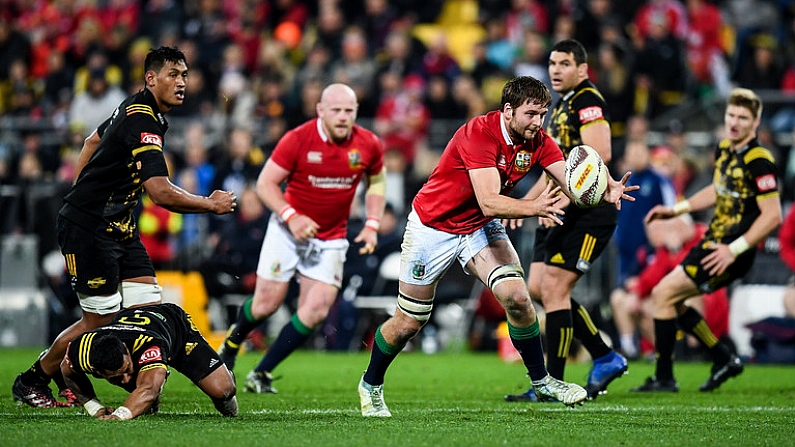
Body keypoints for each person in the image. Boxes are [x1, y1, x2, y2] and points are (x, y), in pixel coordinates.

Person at [357, 75, 637, 417]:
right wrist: (535, 207)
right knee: (408, 323)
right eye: (531, 114)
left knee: (518, 298)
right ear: (508, 111)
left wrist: (602, 189)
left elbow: (568, 177)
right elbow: (490, 201)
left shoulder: (539, 141)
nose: (538, 122)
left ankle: (542, 380)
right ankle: (371, 384)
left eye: (543, 114)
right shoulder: (479, 133)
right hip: (433, 227)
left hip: (477, 228)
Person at [12, 46, 238, 409]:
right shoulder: (143, 120)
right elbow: (160, 192)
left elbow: (92, 142)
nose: (182, 82)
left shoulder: (138, 108)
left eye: (184, 74)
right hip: (89, 230)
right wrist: (210, 204)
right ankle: (34, 378)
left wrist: (86, 187)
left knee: (148, 310)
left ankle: (144, 386)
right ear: (151, 78)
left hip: (118, 227)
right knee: (101, 319)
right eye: (173, 75)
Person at [216, 83, 387, 394]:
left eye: (349, 111)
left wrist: (372, 223)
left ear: (356, 113)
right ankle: (231, 343)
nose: (342, 116)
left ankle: (261, 372)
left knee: (318, 308)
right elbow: (265, 184)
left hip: (331, 235)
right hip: (287, 231)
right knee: (268, 303)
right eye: (335, 110)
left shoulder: (368, 143)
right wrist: (291, 217)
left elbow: (376, 181)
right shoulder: (297, 139)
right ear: (320, 110)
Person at [631, 87, 782, 392]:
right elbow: (716, 189)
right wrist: (675, 209)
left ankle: (666, 376)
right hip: (714, 241)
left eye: (742, 117)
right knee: (671, 297)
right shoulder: (725, 147)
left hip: (731, 250)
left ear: (756, 122)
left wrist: (734, 249)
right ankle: (722, 357)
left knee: (663, 294)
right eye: (731, 115)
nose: (735, 122)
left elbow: (773, 215)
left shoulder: (759, 160)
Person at [505, 39, 629, 403]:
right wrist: (529, 204)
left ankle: (551, 383)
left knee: (556, 290)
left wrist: (563, 195)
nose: (555, 70)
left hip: (590, 212)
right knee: (542, 288)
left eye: (564, 63)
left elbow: (599, 155)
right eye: (552, 63)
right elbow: (557, 167)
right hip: (561, 209)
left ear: (582, 69)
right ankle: (605, 356)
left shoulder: (588, 100)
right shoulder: (560, 106)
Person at [60, 303, 237, 420]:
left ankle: (225, 375)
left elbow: (149, 390)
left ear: (127, 351)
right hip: (143, 331)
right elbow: (66, 371)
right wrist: (94, 407)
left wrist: (119, 415)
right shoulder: (83, 350)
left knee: (223, 391)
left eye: (128, 369)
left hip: (177, 331)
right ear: (96, 370)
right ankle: (153, 373)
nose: (127, 379)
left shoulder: (148, 345)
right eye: (116, 378)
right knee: (145, 403)